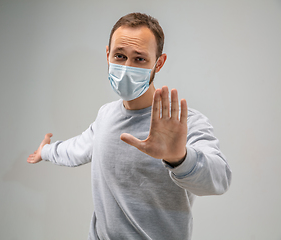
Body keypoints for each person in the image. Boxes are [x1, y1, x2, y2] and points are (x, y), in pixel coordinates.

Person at [27, 12, 232, 240]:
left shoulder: (183, 123)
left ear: (159, 62)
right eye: (120, 56)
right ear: (108, 55)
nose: (126, 67)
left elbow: (219, 179)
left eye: (140, 59)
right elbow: (78, 148)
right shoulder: (105, 115)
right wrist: (45, 151)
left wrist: (179, 158)